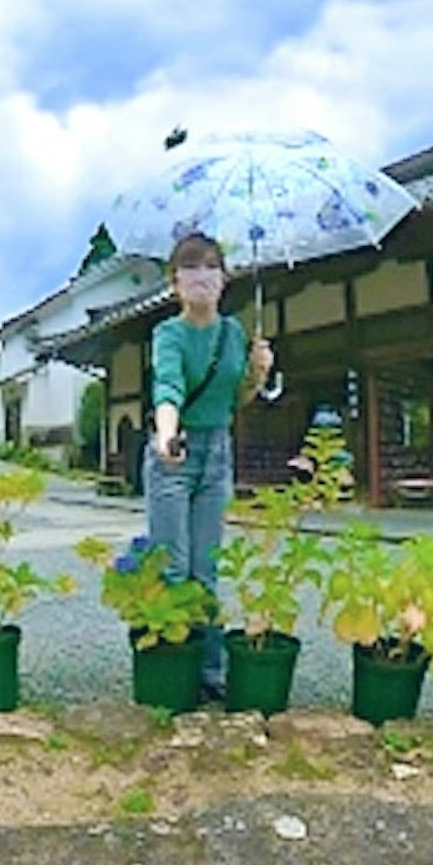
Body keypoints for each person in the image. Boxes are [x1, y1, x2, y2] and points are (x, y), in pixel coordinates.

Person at [144, 231, 272, 681]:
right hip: (174, 454)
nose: (202, 277)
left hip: (218, 451)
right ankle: (171, 671)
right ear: (174, 282)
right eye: (190, 268)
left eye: (211, 267)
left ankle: (211, 673)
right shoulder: (168, 333)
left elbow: (237, 400)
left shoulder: (234, 333)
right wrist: (166, 435)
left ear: (224, 279)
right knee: (173, 565)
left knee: (206, 568)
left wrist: (258, 373)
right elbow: (169, 386)